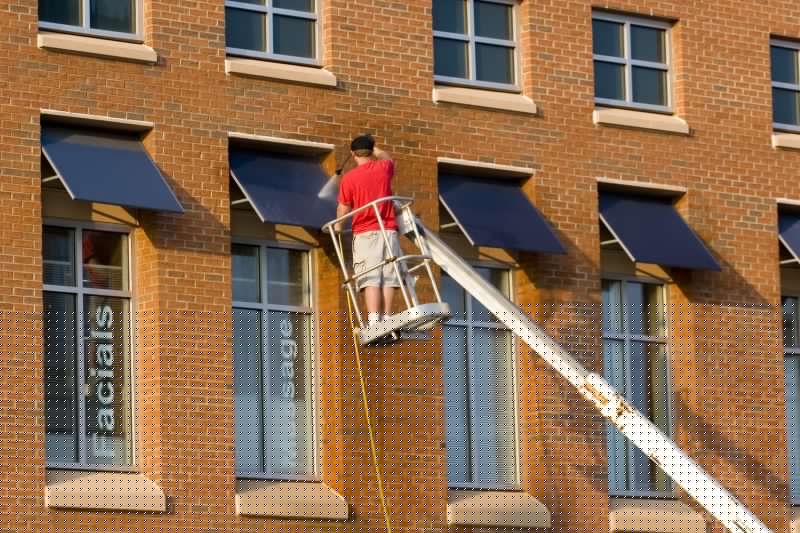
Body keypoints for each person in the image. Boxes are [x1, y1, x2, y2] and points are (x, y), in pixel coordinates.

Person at [334, 135, 400, 326]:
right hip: (388, 230)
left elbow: (343, 208)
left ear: (353, 153)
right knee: (388, 276)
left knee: (370, 276)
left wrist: (338, 227)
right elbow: (387, 157)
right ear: (371, 151)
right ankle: (387, 316)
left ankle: (373, 320)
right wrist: (375, 148)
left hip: (365, 232)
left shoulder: (349, 178)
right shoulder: (384, 168)